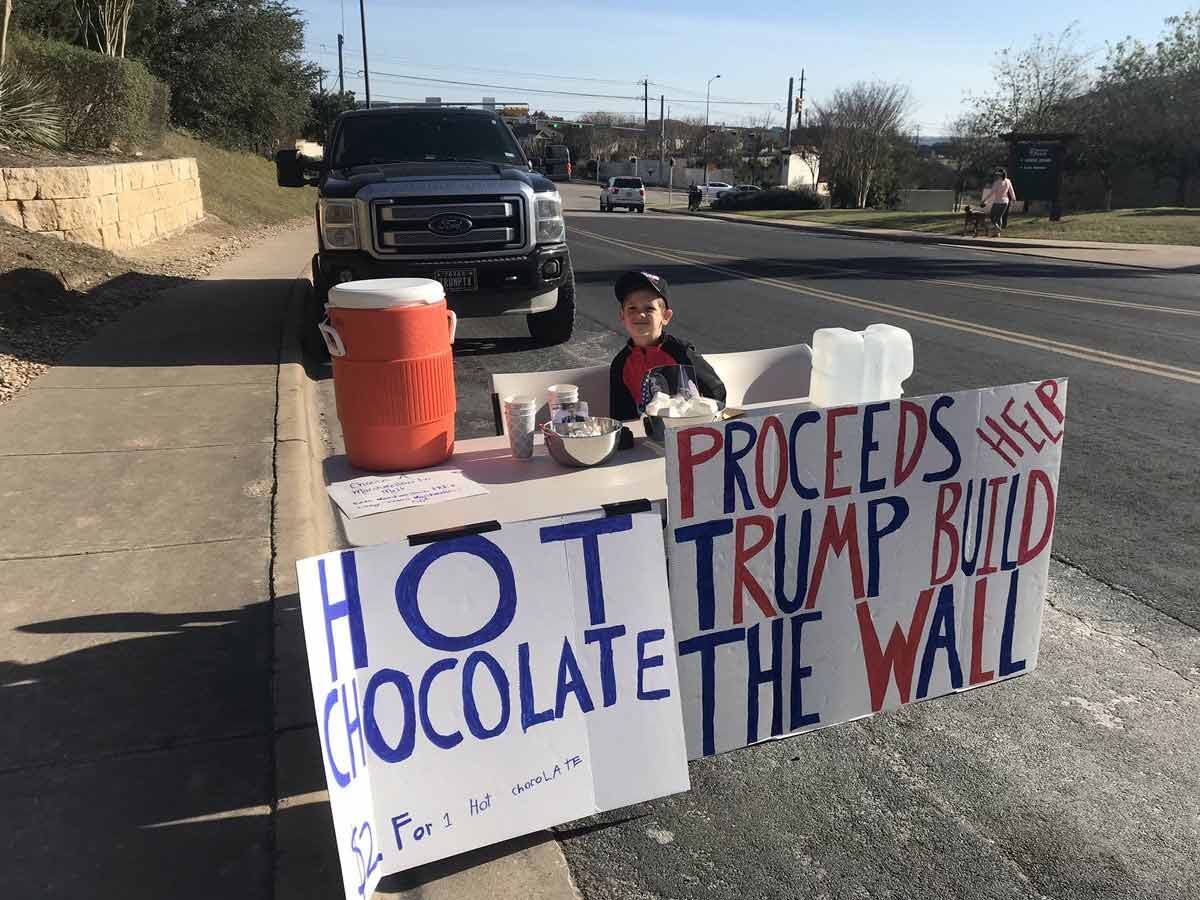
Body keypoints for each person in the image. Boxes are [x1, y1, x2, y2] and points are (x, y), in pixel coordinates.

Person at [608, 270, 726, 421]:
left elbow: (715, 390)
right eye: (632, 308)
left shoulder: (680, 352)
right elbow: (621, 414)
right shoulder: (620, 363)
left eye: (649, 308)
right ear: (622, 316)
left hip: (683, 430)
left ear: (665, 317)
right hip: (645, 435)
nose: (640, 315)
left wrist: (707, 420)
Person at [985, 167, 1016, 236]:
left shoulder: (997, 183)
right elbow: (1011, 191)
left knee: (992, 217)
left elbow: (991, 192)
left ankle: (998, 228)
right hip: (1005, 202)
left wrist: (984, 200)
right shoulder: (1008, 181)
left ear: (1000, 175)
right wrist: (1014, 198)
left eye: (998, 175)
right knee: (999, 217)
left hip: (997, 202)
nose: (996, 176)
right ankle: (997, 233)